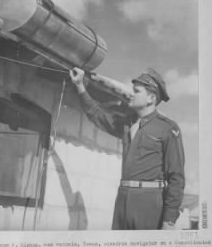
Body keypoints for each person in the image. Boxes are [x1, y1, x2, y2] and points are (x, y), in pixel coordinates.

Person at [69, 67, 185, 230]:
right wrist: (80, 85)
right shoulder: (127, 123)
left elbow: (176, 177)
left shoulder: (167, 128)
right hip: (122, 200)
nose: (131, 94)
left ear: (151, 98)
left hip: (148, 204)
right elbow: (97, 114)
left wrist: (169, 220)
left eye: (136, 91)